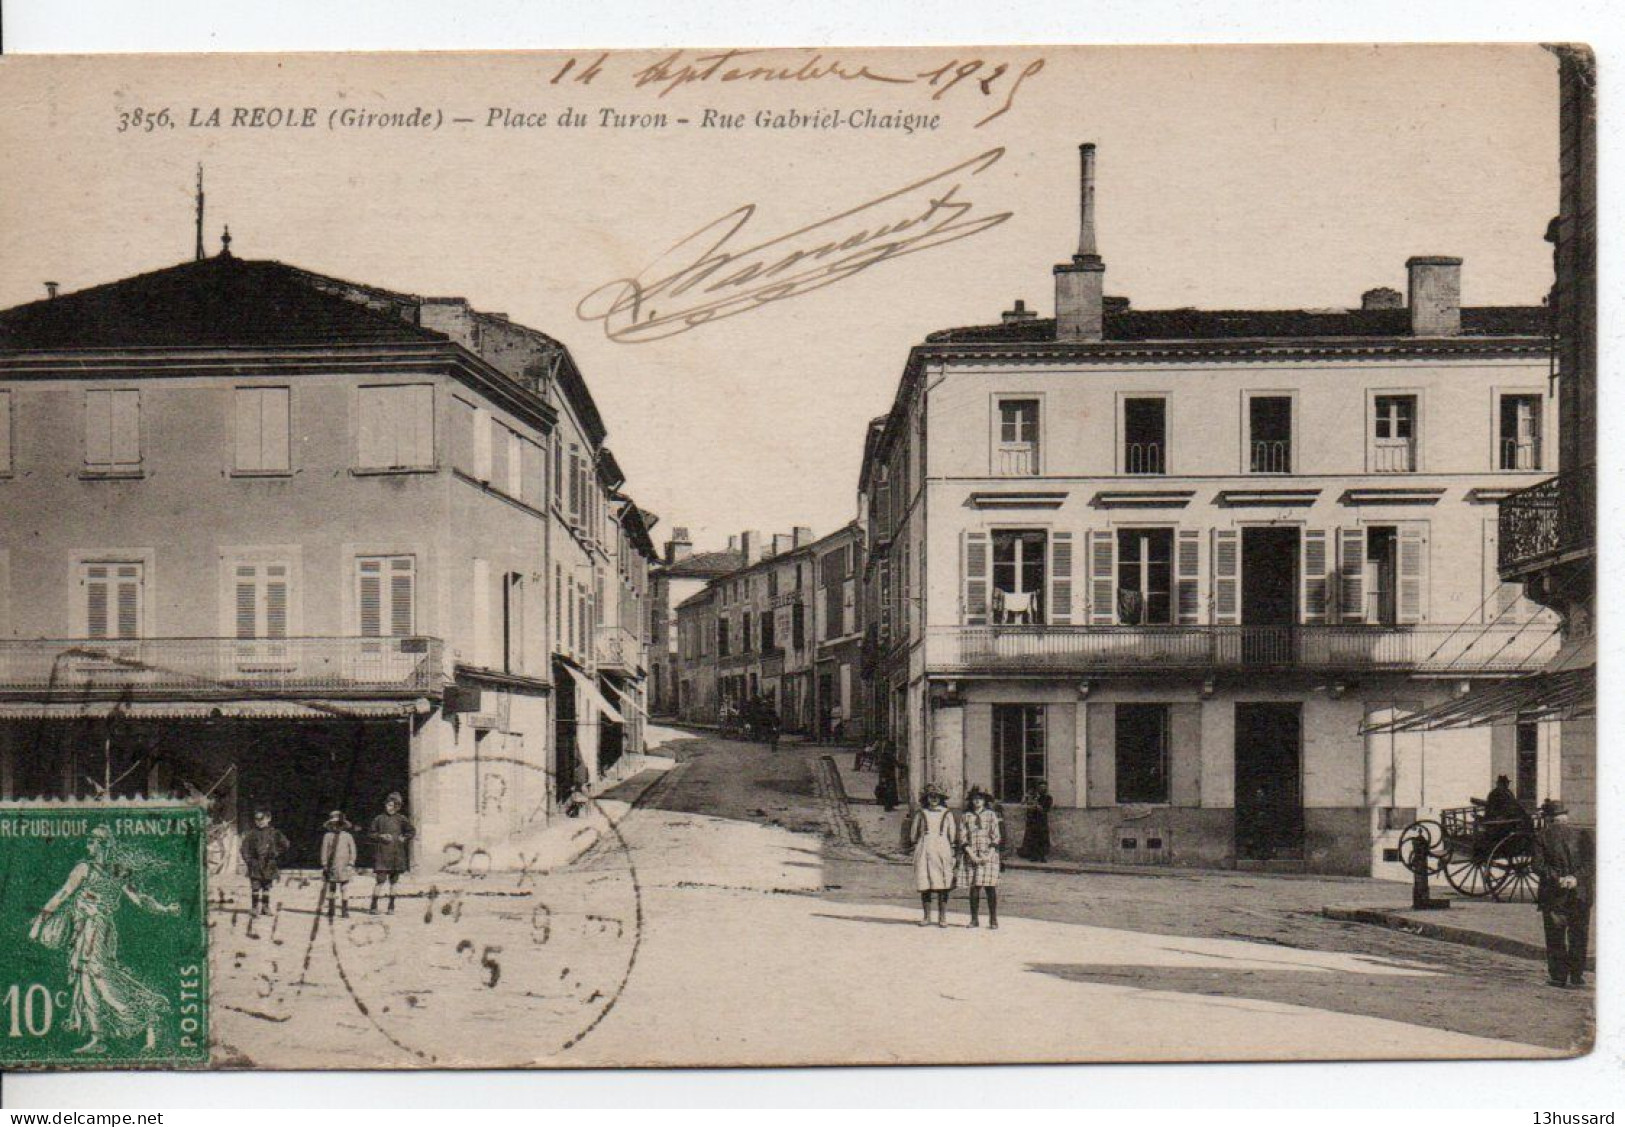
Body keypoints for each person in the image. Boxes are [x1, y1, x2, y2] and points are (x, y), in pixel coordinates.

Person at [28, 826, 179, 1055]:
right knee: (87, 981)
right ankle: (98, 1037)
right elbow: (63, 895)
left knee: (101, 977)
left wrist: (165, 909)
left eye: (91, 842)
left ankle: (148, 1012)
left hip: (99, 929)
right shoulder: (85, 868)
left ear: (102, 844)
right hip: (85, 929)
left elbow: (140, 900)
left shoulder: (112, 871)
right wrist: (41, 919)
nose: (88, 846)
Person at [1534, 800, 1594, 988]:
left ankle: (1558, 977)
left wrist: (1559, 878)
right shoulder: (1583, 834)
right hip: (1580, 894)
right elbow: (1591, 864)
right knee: (1579, 935)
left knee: (1555, 936)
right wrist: (1575, 878)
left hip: (1554, 895)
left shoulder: (1541, 836)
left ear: (1549, 819)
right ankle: (1577, 976)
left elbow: (1537, 866)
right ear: (1565, 817)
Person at [910, 784, 960, 927]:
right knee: (925, 882)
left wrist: (952, 849)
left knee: (943, 882)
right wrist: (916, 843)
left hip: (942, 848)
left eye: (936, 797)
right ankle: (926, 917)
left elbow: (952, 833)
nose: (934, 799)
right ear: (926, 798)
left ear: (941, 798)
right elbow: (913, 833)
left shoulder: (947, 813)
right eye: (931, 796)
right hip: (925, 848)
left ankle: (942, 917)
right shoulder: (921, 813)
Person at [961, 787, 1002, 929]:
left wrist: (989, 854)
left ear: (985, 801)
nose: (977, 801)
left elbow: (996, 836)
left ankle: (993, 920)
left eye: (980, 798)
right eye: (974, 799)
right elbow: (963, 837)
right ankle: (974, 919)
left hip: (989, 854)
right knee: (974, 888)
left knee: (990, 888)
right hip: (972, 854)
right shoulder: (966, 816)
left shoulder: (991, 815)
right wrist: (971, 854)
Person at [368, 792, 415, 915]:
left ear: (398, 807)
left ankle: (391, 907)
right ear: (385, 805)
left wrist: (404, 837)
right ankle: (373, 906)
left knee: (394, 882)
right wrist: (381, 836)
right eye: (389, 805)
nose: (391, 808)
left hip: (396, 855)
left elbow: (411, 831)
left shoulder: (401, 819)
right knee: (380, 881)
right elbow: (371, 834)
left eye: (394, 806)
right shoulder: (378, 819)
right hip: (382, 855)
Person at [238, 808, 290, 917]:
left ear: (268, 819)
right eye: (256, 819)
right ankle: (254, 907)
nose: (259, 821)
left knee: (267, 887)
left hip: (268, 864)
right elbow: (244, 848)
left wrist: (276, 853)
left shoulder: (274, 833)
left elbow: (285, 844)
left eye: (262, 819)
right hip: (255, 864)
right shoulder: (251, 834)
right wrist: (248, 860)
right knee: (255, 886)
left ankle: (265, 907)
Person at [319, 811, 357, 920]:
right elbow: (324, 850)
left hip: (344, 866)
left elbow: (353, 850)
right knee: (332, 888)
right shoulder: (327, 836)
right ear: (330, 825)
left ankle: (344, 910)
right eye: (333, 824)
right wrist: (324, 864)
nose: (336, 826)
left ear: (343, 825)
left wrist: (351, 863)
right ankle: (331, 909)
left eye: (339, 824)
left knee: (344, 888)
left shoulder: (348, 836)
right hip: (332, 866)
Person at [1018, 781, 1054, 862]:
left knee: (1043, 839)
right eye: (1041, 788)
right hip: (1033, 821)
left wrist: (1037, 806)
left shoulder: (1048, 798)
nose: (1043, 789)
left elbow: (1046, 809)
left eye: (1044, 788)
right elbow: (1025, 805)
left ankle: (1042, 856)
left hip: (1042, 821)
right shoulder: (1034, 797)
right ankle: (1033, 856)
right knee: (1033, 839)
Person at [874, 742, 900, 812]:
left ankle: (888, 806)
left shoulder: (884, 756)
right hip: (888, 776)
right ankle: (888, 807)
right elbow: (897, 764)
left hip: (885, 775)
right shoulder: (889, 756)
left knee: (887, 791)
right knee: (889, 792)